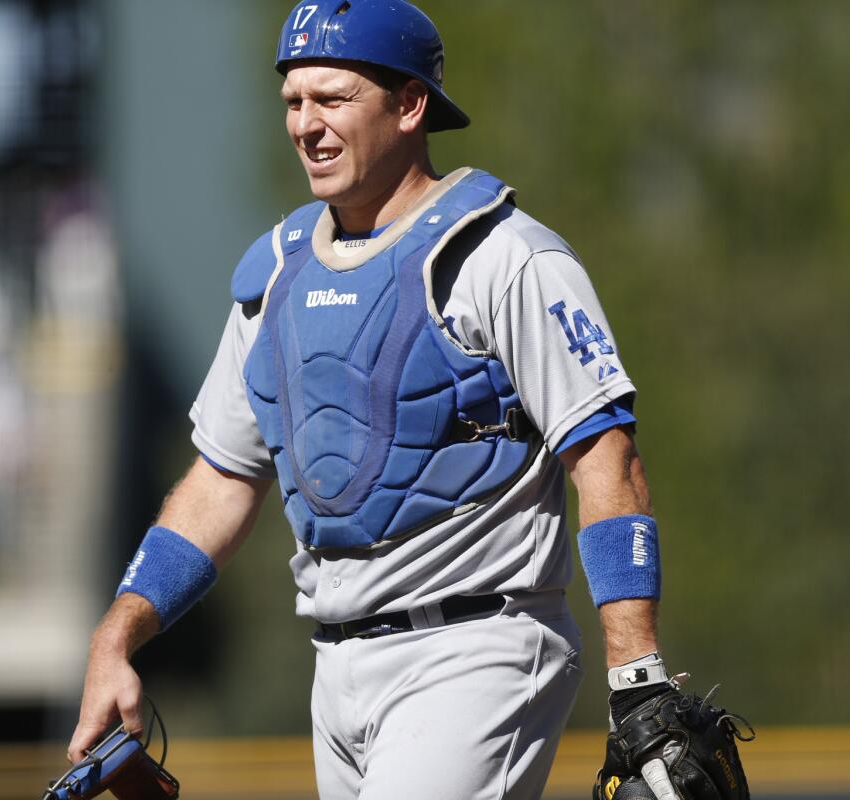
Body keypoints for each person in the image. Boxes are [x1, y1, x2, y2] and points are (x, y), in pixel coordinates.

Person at [69, 2, 749, 798]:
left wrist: (636, 672)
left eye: (334, 98)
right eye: (294, 101)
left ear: (409, 104)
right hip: (336, 666)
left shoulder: (502, 257)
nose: (307, 124)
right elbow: (221, 481)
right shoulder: (274, 279)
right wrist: (117, 636)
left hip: (478, 646)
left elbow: (605, 455)